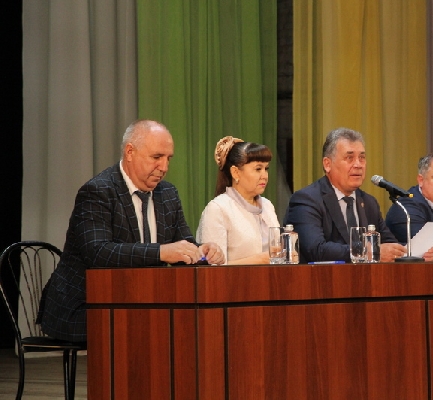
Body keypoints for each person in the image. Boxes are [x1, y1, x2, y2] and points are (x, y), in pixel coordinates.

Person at [40, 120, 225, 342]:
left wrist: (202, 252)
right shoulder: (98, 191)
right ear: (130, 152)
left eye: (168, 158)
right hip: (86, 305)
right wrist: (161, 252)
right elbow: (98, 253)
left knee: (194, 323)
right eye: (157, 157)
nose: (164, 167)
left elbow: (182, 245)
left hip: (142, 301)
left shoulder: (168, 194)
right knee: (152, 328)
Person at [283, 127, 433, 263]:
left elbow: (388, 245)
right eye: (349, 158)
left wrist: (416, 252)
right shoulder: (307, 200)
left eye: (362, 158)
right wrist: (369, 252)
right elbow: (316, 249)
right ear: (327, 164)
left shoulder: (369, 202)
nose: (358, 165)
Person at [196, 136, 279, 264]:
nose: (265, 176)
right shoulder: (218, 209)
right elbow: (213, 268)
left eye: (266, 169)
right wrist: (260, 260)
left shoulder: (267, 205)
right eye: (258, 169)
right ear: (235, 172)